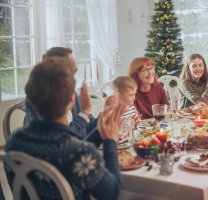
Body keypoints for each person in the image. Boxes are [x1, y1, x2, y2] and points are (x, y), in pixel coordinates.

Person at [5, 57, 125, 200]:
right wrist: (110, 141)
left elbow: (70, 150)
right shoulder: (79, 153)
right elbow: (112, 193)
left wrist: (99, 132)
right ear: (71, 101)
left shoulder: (14, 141)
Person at [24, 47, 96, 138]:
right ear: (54, 67)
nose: (76, 68)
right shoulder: (36, 100)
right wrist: (84, 114)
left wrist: (106, 117)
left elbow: (86, 127)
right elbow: (59, 138)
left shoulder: (71, 92)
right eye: (71, 64)